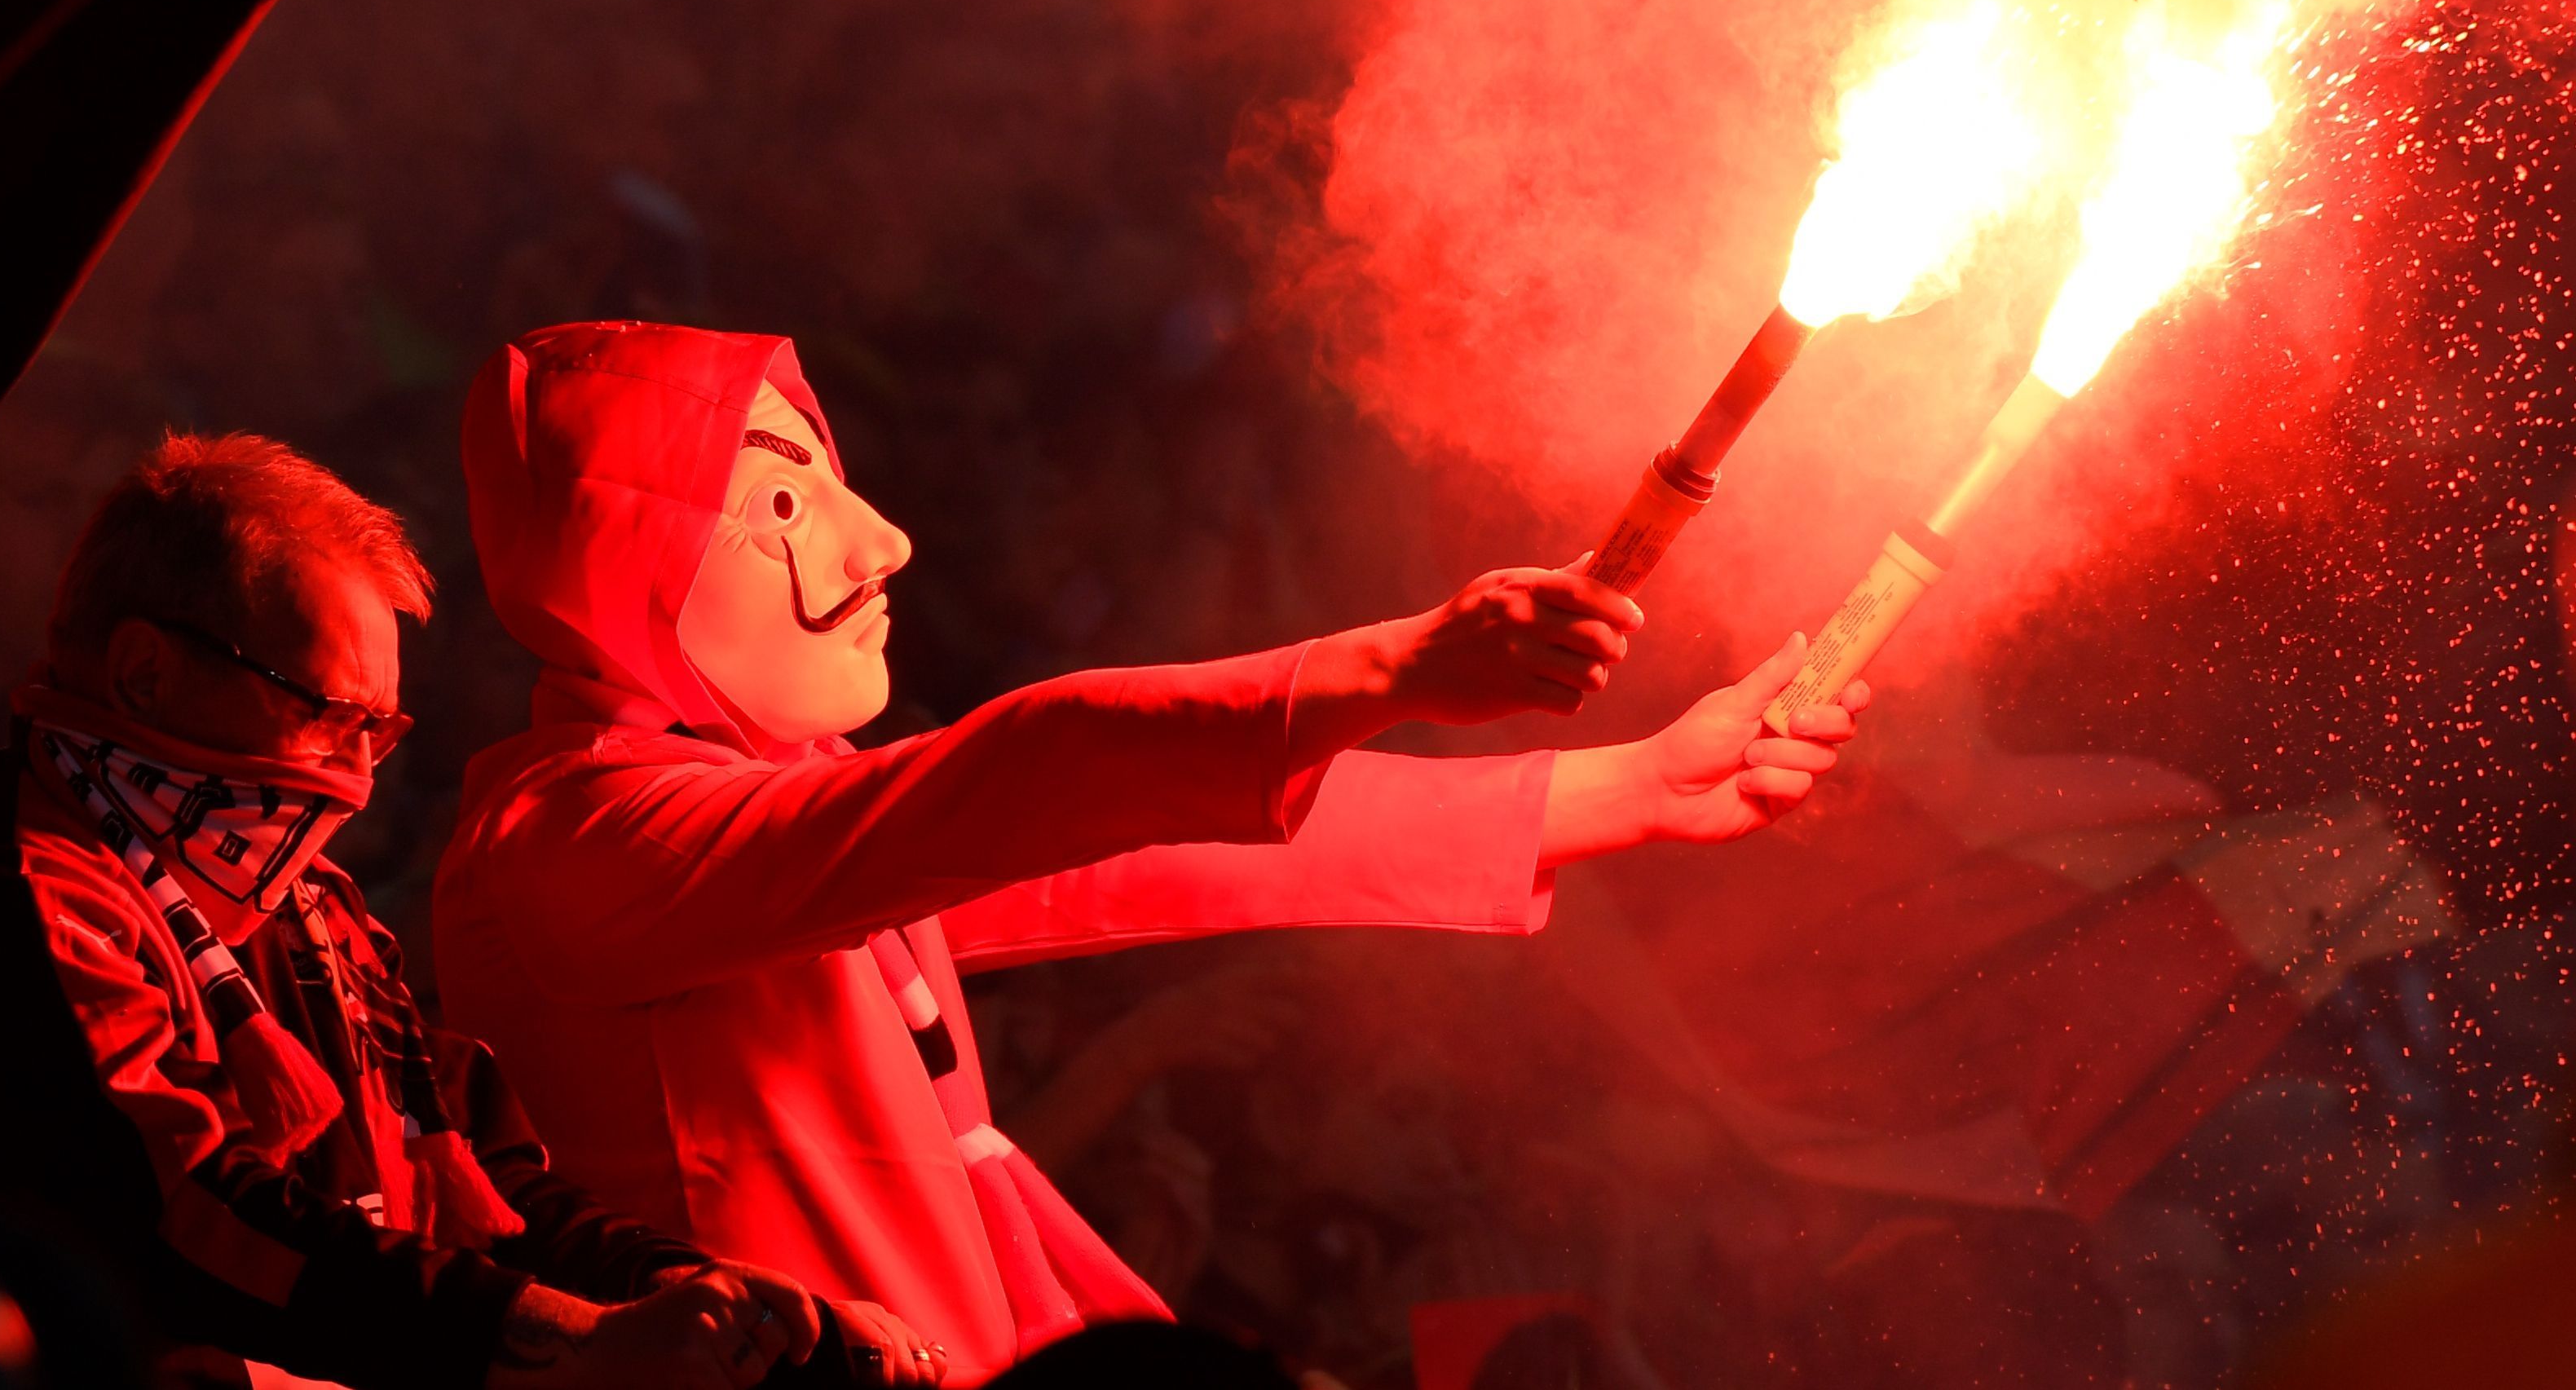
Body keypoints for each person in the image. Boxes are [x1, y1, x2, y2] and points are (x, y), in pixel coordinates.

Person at [433, 322, 1869, 1383]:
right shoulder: (568, 836)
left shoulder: (791, 799)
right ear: (612, 558)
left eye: (834, 484)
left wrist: (1627, 787)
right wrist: (1400, 660)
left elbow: (1134, 842)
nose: (884, 543)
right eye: (783, 506)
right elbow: (1045, 772)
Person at [0, 431, 934, 1390]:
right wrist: (560, 1344)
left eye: (382, 733)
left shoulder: (312, 917)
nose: (358, 777)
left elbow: (486, 1182)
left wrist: (696, 1291)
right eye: (330, 716)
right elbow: (191, 1210)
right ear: (143, 674)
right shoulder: (1, 898)